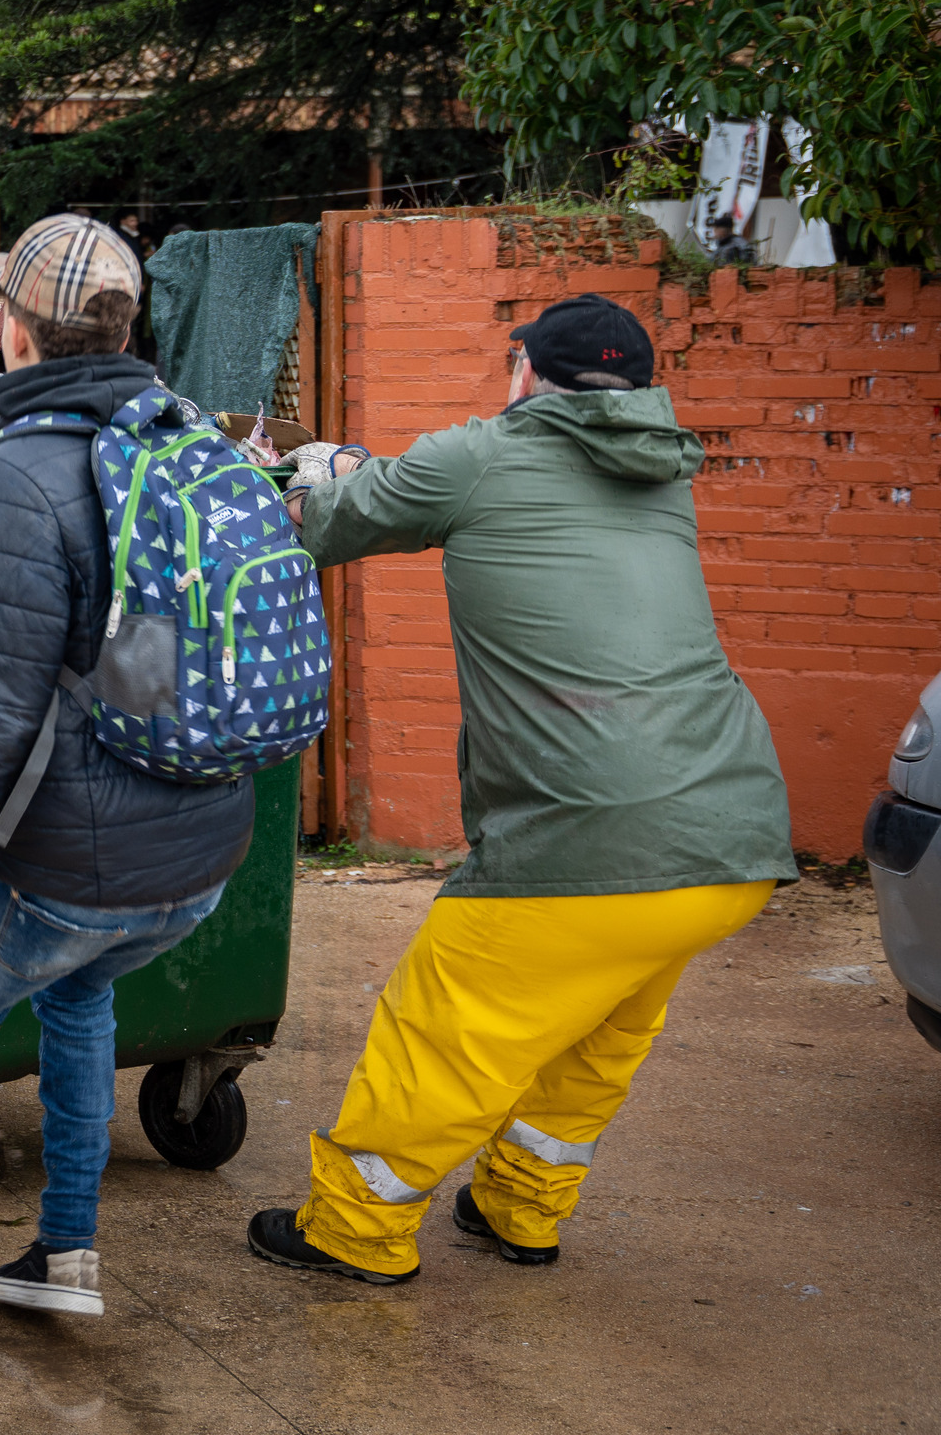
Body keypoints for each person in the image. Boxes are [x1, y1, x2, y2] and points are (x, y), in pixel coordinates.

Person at [247, 292, 794, 1284]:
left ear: (526, 370)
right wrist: (384, 474)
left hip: (586, 830)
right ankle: (520, 1205)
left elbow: (315, 526)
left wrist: (314, 474)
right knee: (600, 1031)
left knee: (444, 1022)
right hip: (728, 831)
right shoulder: (663, 471)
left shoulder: (481, 453)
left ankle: (354, 1225)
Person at [0, 214, 258, 1358]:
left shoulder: (20, 467)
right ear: (124, 328)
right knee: (76, 996)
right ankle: (62, 1254)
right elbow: (60, 551)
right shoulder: (180, 439)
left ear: (14, 332)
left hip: (74, 864)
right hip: (198, 854)